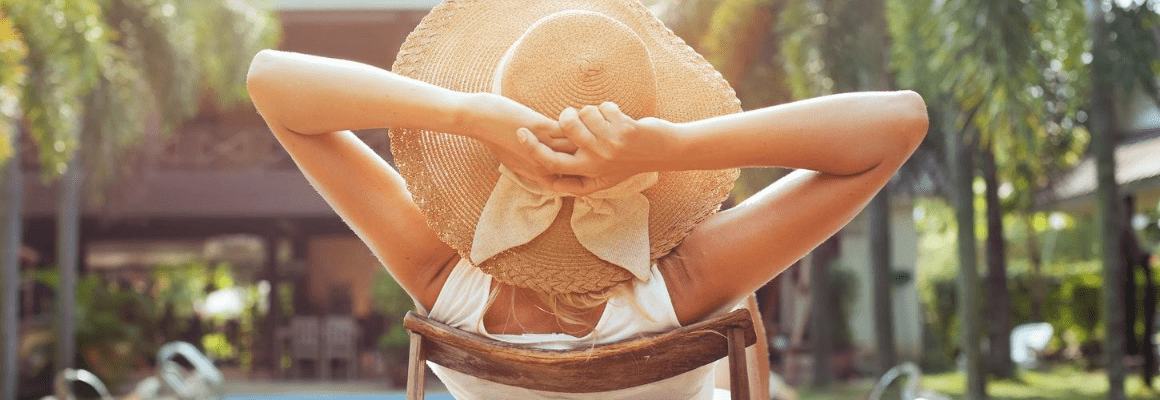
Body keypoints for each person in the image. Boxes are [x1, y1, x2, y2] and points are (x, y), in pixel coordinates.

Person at [246, 1, 926, 398]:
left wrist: (468, 114)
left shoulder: (441, 277)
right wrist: (670, 148)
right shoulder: (687, 285)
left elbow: (271, 80)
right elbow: (897, 123)